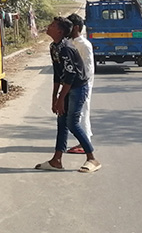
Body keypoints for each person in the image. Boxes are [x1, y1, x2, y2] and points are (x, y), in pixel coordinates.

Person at [36, 16, 101, 173]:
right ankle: (56, 160)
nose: (48, 26)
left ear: (59, 31)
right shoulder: (54, 47)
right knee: (61, 122)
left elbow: (71, 76)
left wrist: (61, 98)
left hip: (78, 88)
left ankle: (92, 158)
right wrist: (54, 98)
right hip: (68, 87)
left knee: (72, 123)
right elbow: (58, 74)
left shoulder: (66, 48)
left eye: (52, 25)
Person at [66, 13, 95, 154]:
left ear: (76, 27)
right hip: (74, 85)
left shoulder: (84, 45)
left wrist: (78, 84)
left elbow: (87, 68)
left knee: (82, 113)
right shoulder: (72, 43)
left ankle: (85, 142)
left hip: (81, 85)